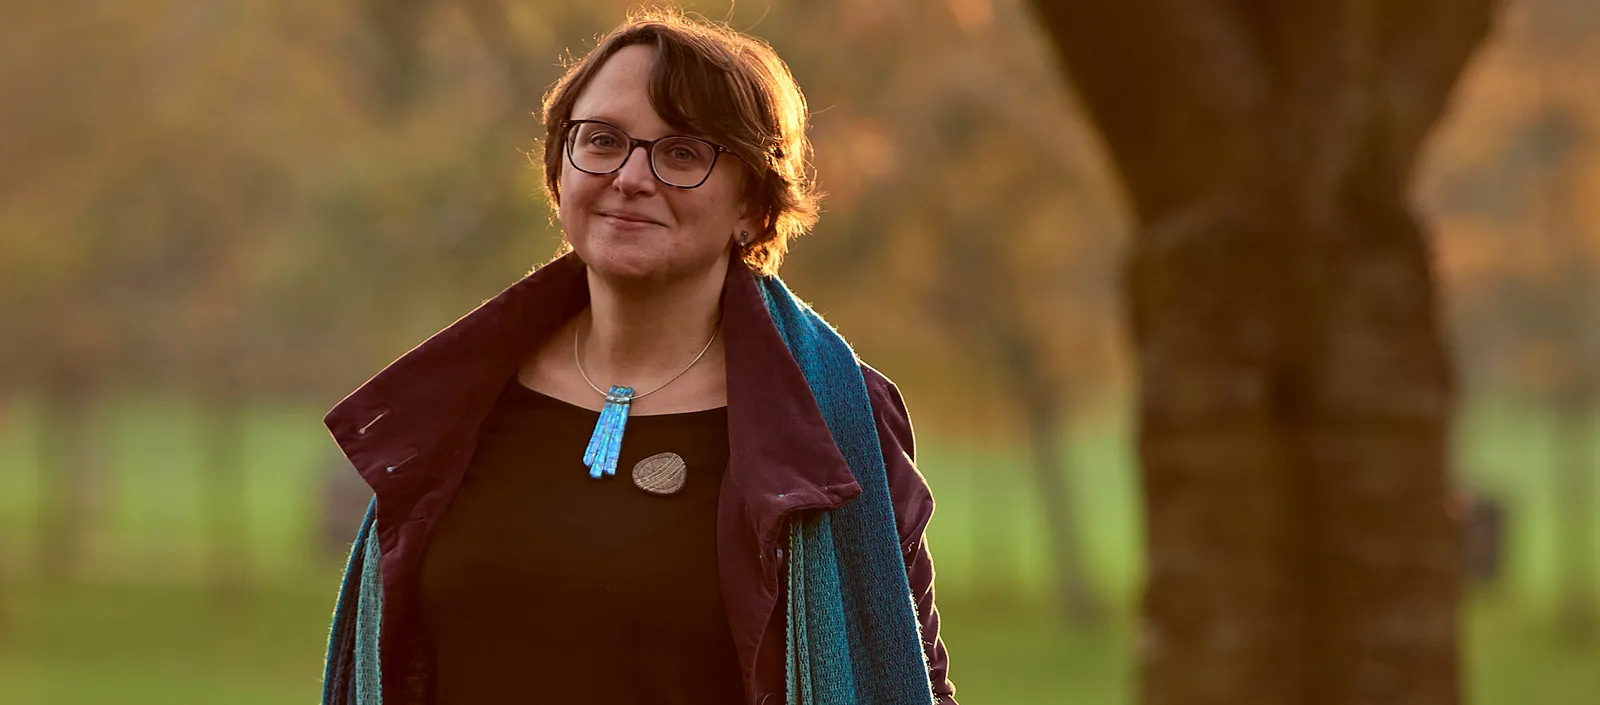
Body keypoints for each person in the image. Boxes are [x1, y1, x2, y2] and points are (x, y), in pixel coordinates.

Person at [319, 10, 956, 705]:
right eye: (602, 141)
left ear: (753, 204)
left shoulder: (834, 420)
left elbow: (910, 678)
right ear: (561, 170)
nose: (629, 176)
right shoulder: (452, 404)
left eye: (682, 152)